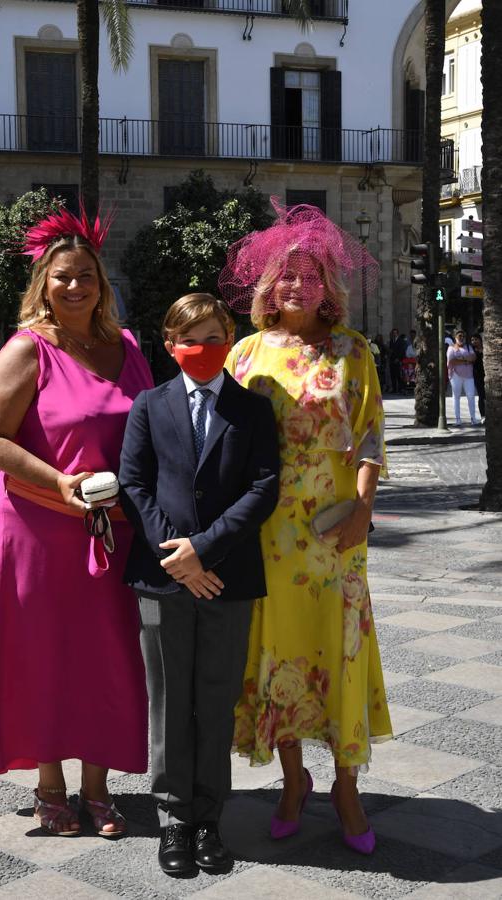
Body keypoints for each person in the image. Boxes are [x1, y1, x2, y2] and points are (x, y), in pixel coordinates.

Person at [218, 199, 392, 856]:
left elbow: (370, 436)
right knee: (278, 658)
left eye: (309, 274)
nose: (295, 285)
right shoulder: (245, 353)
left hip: (334, 530)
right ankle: (293, 782)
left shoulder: (353, 351)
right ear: (268, 286)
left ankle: (346, 788)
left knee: (338, 651)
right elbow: (222, 442)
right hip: (266, 534)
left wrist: (362, 511)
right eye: (284, 275)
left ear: (327, 286)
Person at [0, 208, 151, 837]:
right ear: (43, 284)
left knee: (107, 654)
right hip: (38, 525)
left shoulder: (127, 348)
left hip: (112, 528)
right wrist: (60, 483)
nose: (76, 287)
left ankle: (98, 788)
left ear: (103, 284)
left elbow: (149, 432)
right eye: (63, 277)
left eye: (87, 277)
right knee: (44, 652)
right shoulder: (28, 349)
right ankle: (50, 786)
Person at [119, 293, 280, 877]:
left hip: (227, 578)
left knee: (214, 699)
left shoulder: (252, 409)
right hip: (162, 579)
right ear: (169, 346)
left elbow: (263, 488)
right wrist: (177, 557)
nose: (203, 349)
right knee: (169, 700)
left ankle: (210, 818)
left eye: (214, 338)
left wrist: (205, 550)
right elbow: (134, 485)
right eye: (190, 339)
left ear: (229, 340)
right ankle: (174, 820)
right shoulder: (149, 405)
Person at [446, 329, 478, 426]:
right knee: (456, 397)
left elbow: (473, 358)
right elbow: (451, 361)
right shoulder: (451, 348)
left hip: (469, 375)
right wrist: (465, 360)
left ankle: (473, 418)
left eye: (463, 336)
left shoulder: (468, 347)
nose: (462, 338)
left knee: (471, 396)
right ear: (455, 337)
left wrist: (460, 358)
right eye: (460, 336)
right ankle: (458, 419)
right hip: (456, 375)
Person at [470, 332, 485, 422]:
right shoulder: (471, 350)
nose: (474, 341)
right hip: (477, 376)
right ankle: (483, 416)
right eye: (472, 340)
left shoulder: (487, 349)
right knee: (481, 395)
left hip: (488, 374)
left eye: (476, 339)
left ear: (480, 340)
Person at [388, 328, 404, 393]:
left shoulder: (400, 341)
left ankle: (400, 389)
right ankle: (394, 389)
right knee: (392, 375)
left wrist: (398, 358)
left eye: (395, 333)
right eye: (393, 333)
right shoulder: (391, 341)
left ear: (397, 333)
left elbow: (401, 351)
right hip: (392, 360)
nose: (394, 334)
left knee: (398, 375)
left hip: (397, 360)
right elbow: (391, 350)